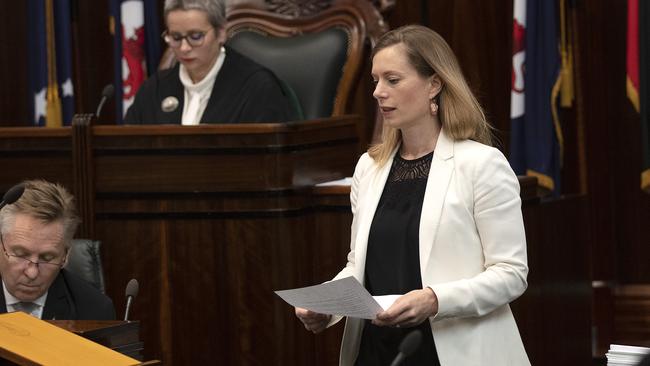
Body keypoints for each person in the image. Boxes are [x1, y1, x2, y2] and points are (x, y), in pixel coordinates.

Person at [295, 25, 530, 365]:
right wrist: (327, 306)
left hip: (452, 352)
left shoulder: (481, 165)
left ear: (434, 84)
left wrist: (436, 299)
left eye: (392, 79)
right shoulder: (369, 167)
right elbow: (359, 266)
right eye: (375, 80)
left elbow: (510, 273)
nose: (378, 92)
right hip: (378, 350)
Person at [124, 0, 295, 125]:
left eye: (195, 36)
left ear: (221, 33)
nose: (184, 48)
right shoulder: (155, 89)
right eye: (176, 37)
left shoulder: (257, 87)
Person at [0, 180, 115, 320]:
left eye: (47, 258)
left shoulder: (94, 310)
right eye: (21, 254)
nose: (32, 273)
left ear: (65, 256)